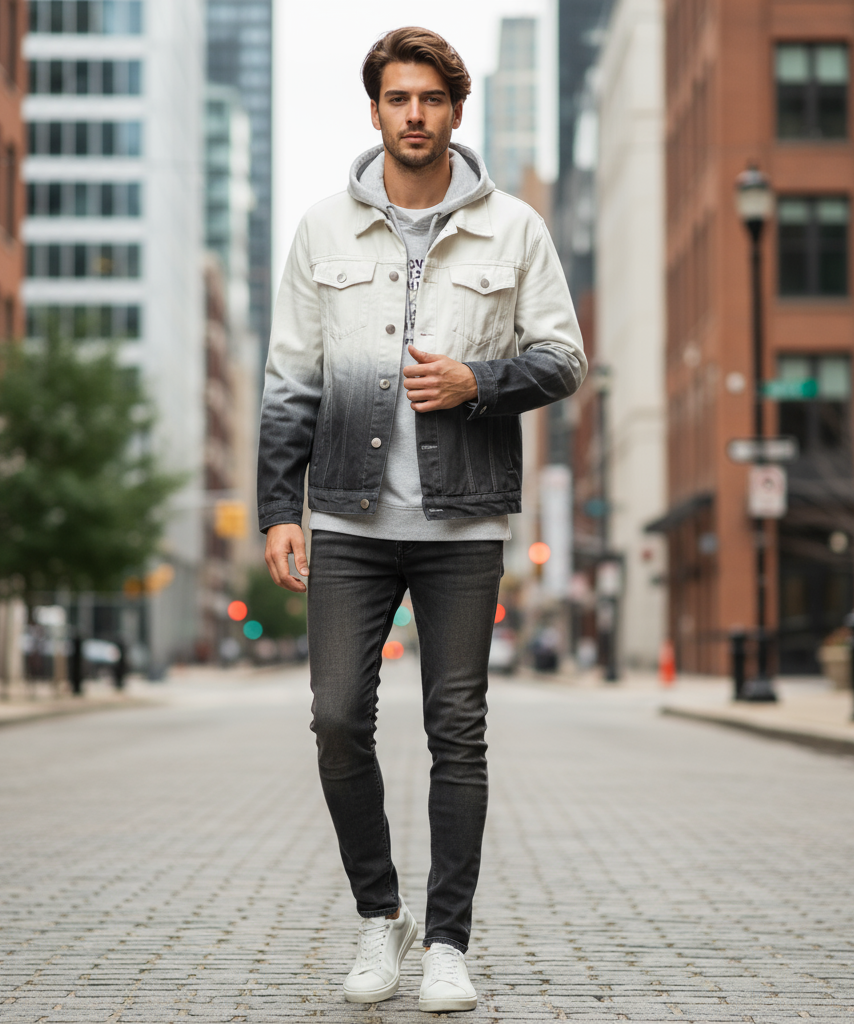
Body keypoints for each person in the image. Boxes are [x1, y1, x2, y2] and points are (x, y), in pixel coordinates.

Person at [258, 27, 585, 1012]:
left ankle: (447, 940)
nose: (413, 114)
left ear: (454, 110)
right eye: (396, 98)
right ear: (374, 111)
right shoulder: (322, 230)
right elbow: (288, 382)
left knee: (457, 727)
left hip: (463, 523)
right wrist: (282, 507)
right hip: (351, 521)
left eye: (430, 99)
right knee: (337, 718)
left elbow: (564, 358)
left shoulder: (512, 229)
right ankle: (378, 914)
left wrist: (476, 381)